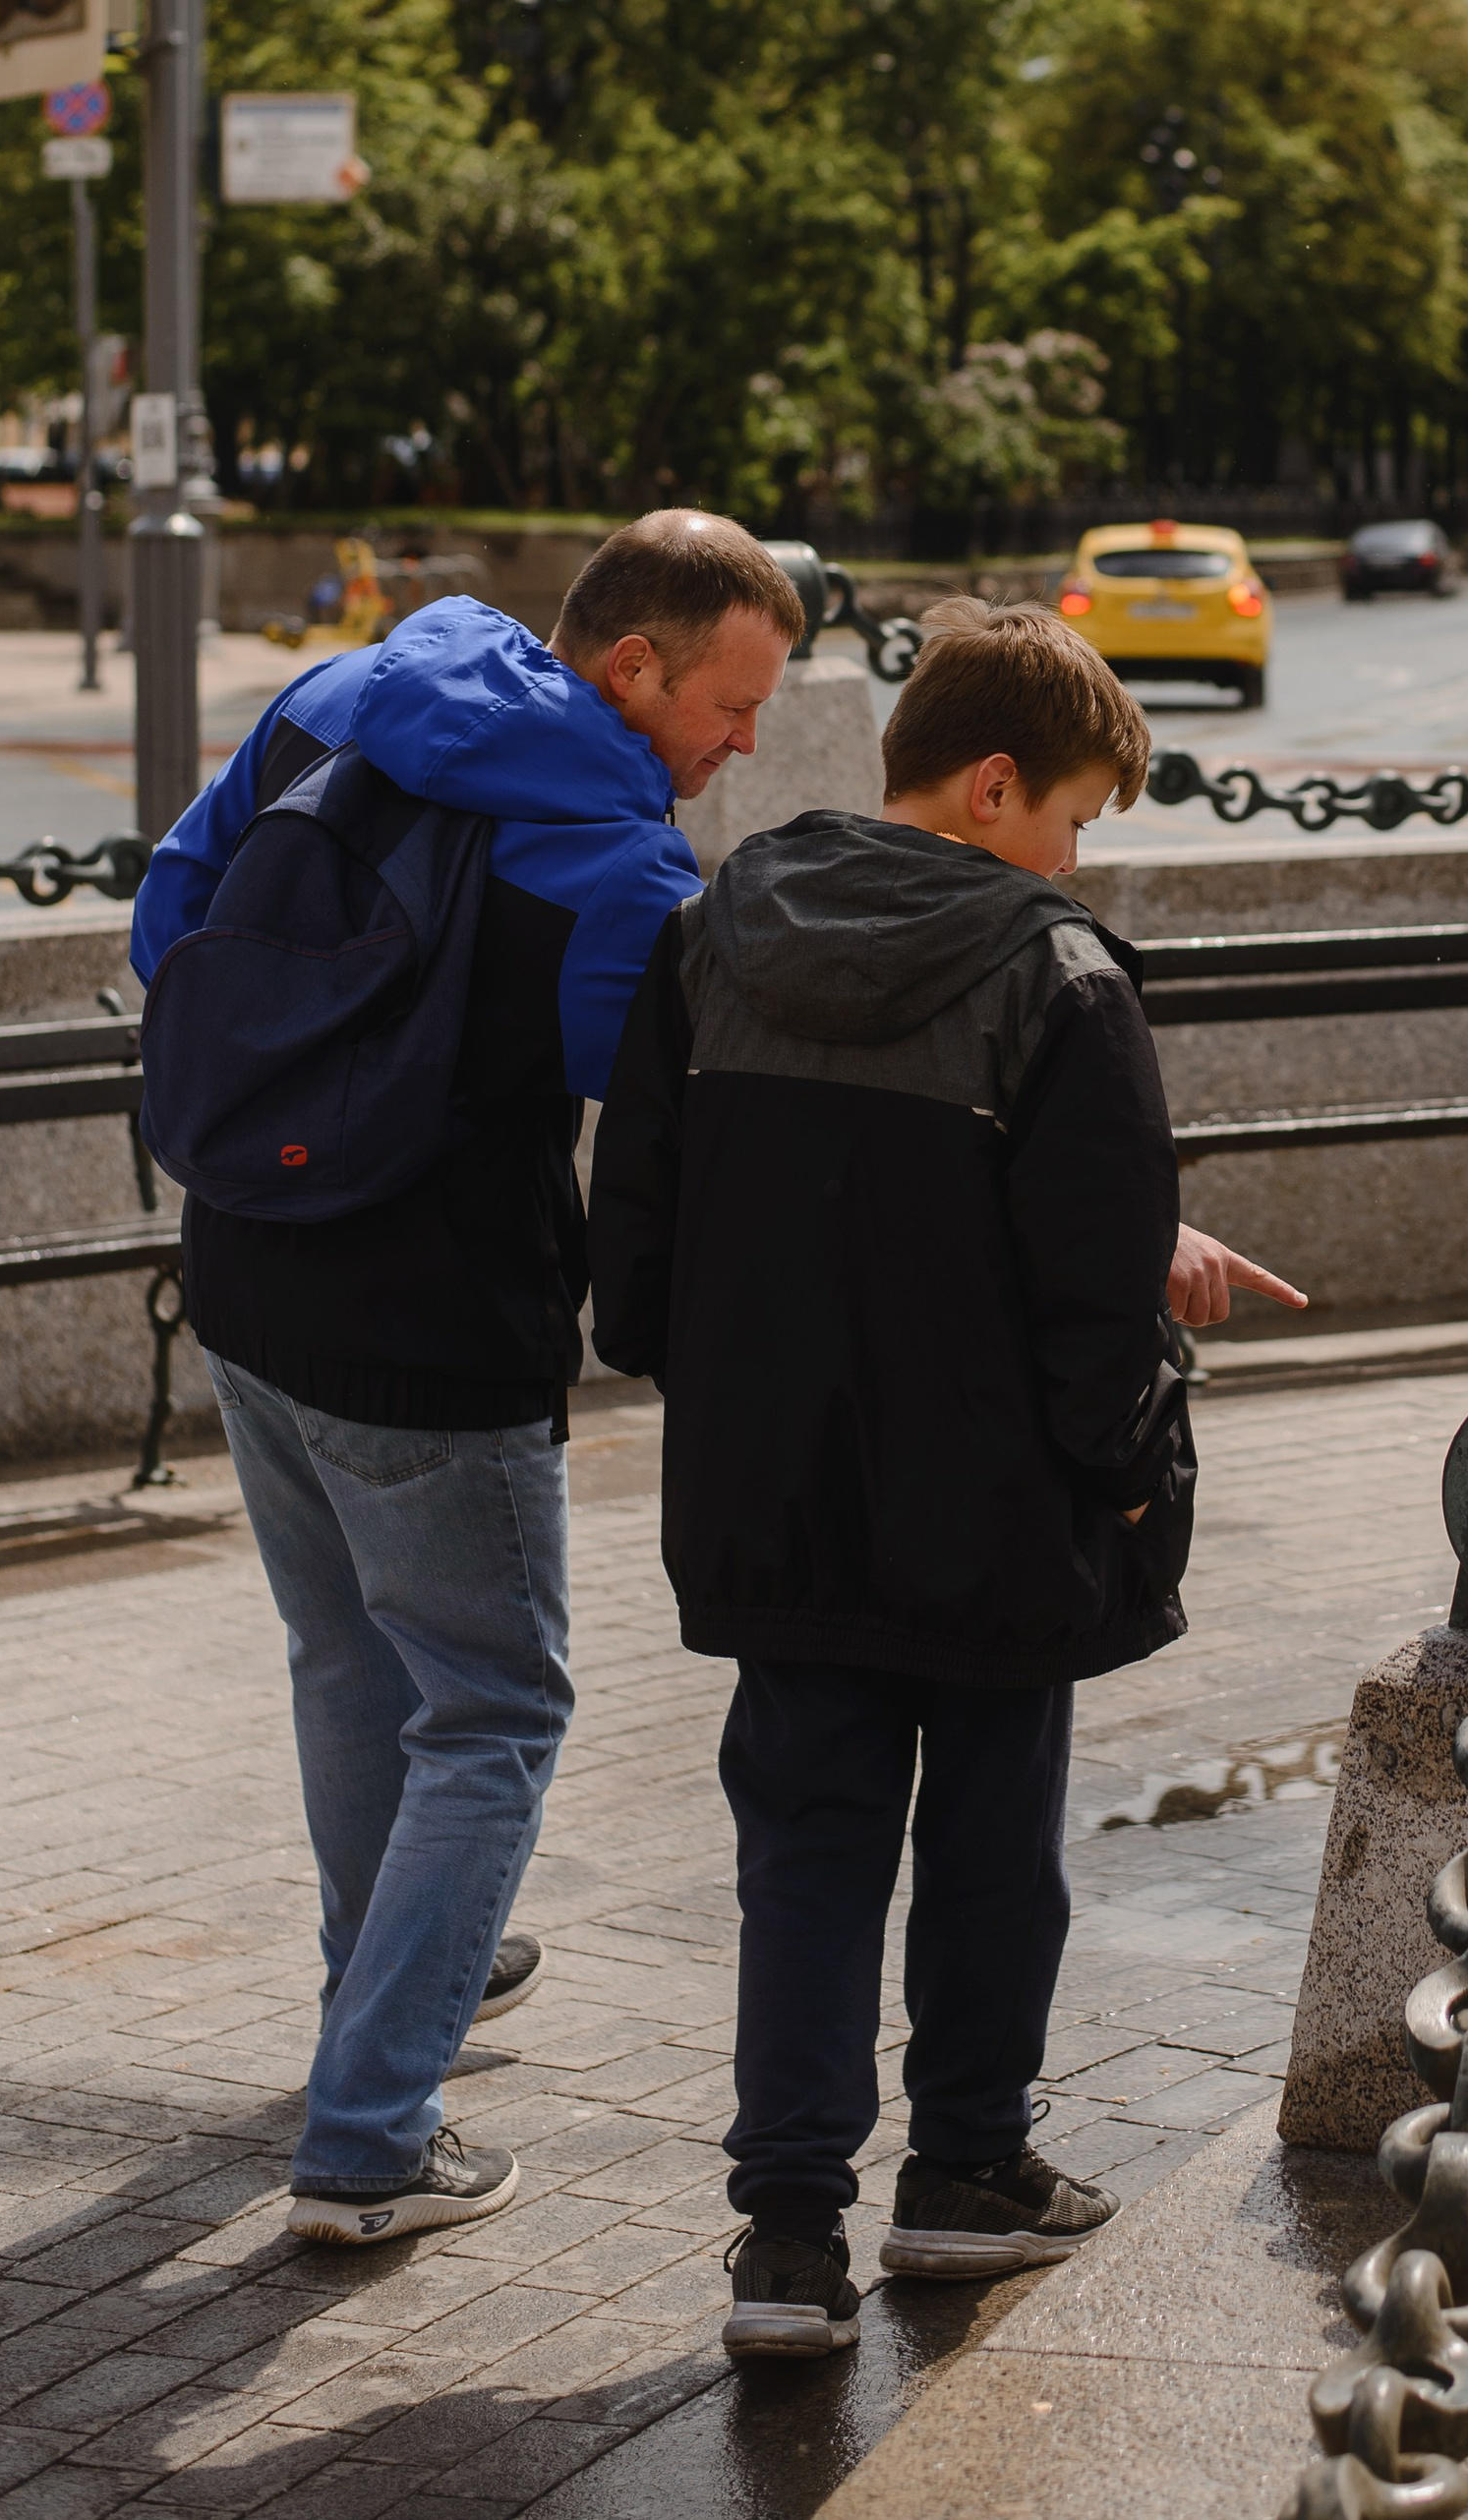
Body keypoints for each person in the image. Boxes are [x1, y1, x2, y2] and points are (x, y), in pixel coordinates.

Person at [587, 600, 1304, 2365]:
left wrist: (759, 1412)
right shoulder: (1054, 977)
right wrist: (1129, 1475)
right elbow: (1084, 1300)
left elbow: (638, 1261)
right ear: (995, 787)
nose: (1076, 860)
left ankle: (785, 2242)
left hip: (784, 1511)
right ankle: (969, 2176)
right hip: (992, 1525)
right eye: (1071, 818)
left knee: (809, 1859)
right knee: (993, 1854)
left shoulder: (715, 932)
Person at [132, 512, 804, 2244]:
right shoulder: (610, 869)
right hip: (431, 1319)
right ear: (631, 665)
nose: (742, 746)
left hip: (243, 1264)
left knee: (349, 1657)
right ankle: (370, 2135)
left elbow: (168, 922)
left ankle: (393, 1977)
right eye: (727, 707)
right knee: (497, 1710)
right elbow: (696, 1116)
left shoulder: (344, 692)